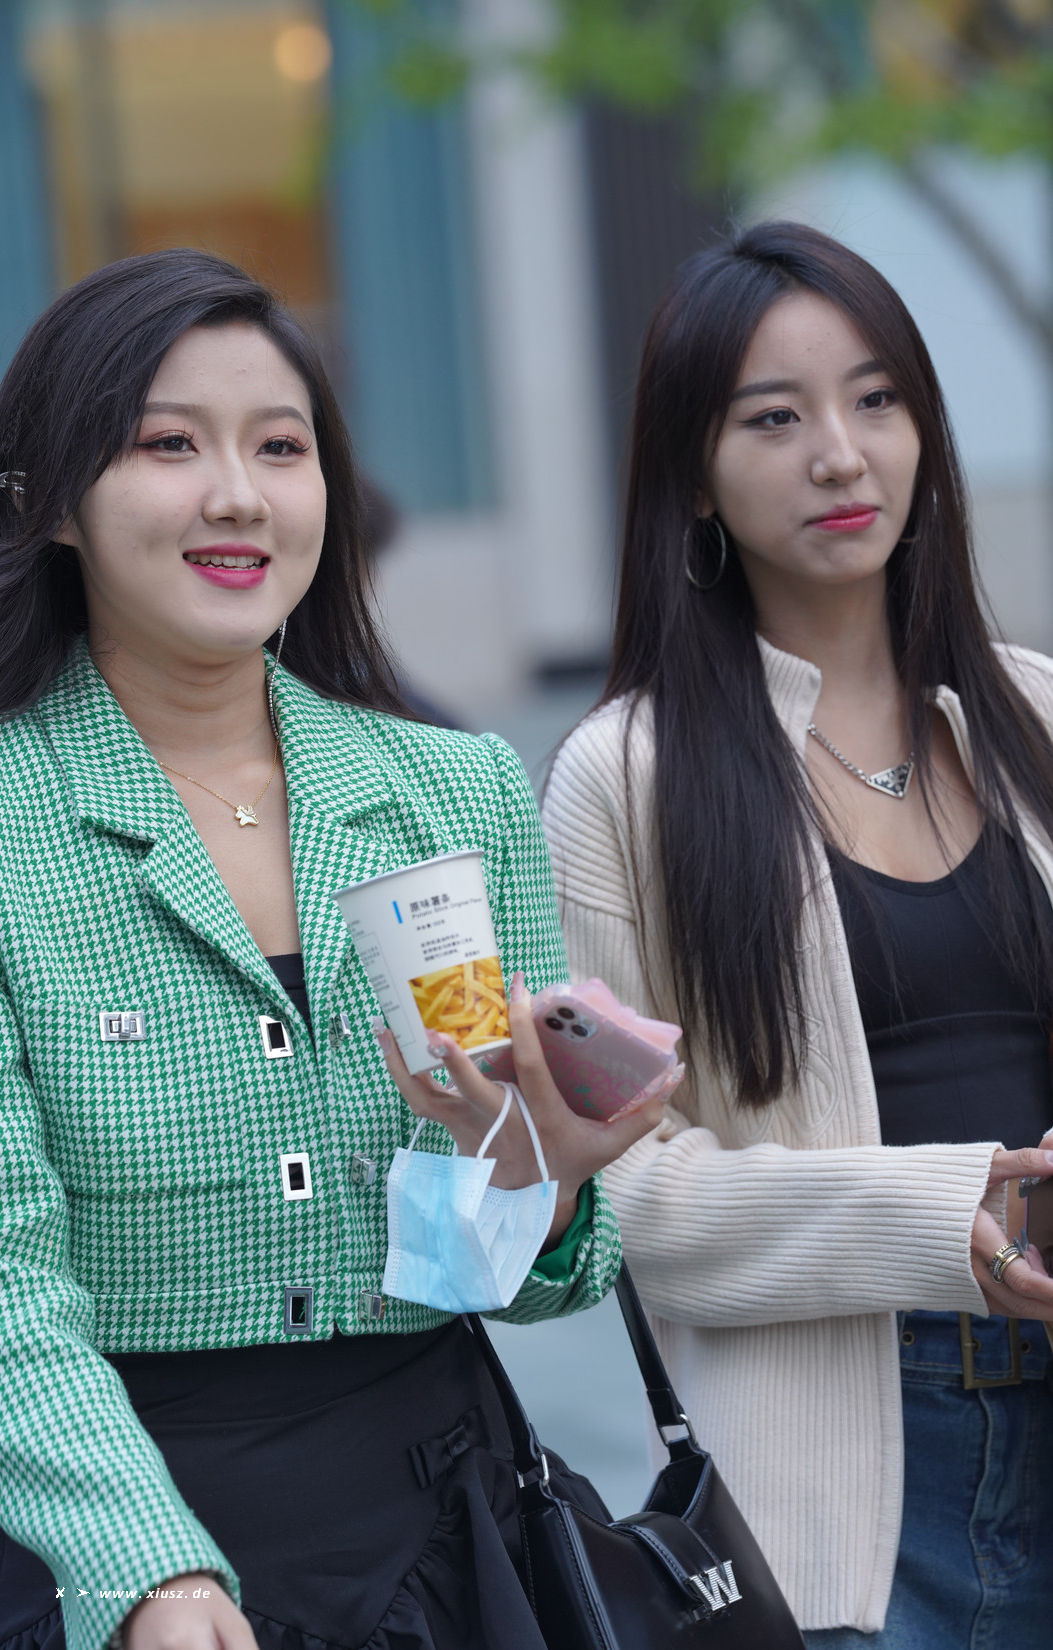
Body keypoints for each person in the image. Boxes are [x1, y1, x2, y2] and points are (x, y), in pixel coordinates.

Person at [0, 248, 668, 1650]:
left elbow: (495, 1277)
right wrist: (143, 1569)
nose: (238, 494)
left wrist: (541, 1173)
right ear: (50, 502)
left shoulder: (450, 791)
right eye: (170, 444)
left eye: (280, 447)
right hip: (132, 1560)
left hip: (451, 1542)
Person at [541, 221, 1053, 1648]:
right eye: (775, 418)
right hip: (842, 1503)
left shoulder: (1034, 713)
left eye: (877, 400)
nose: (840, 454)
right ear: (694, 474)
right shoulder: (626, 776)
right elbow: (621, 1190)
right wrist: (946, 1216)